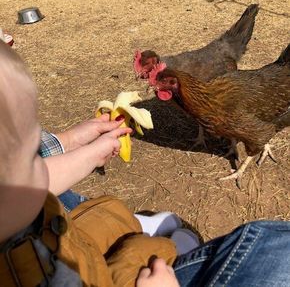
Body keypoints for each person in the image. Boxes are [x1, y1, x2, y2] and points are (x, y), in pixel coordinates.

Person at [1, 40, 290, 287]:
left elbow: (35, 177)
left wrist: (73, 141)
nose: (35, 162)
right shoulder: (36, 272)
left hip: (70, 237)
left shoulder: (18, 195)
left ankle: (152, 232)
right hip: (102, 273)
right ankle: (173, 244)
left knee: (112, 212)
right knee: (271, 247)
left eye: (34, 146)